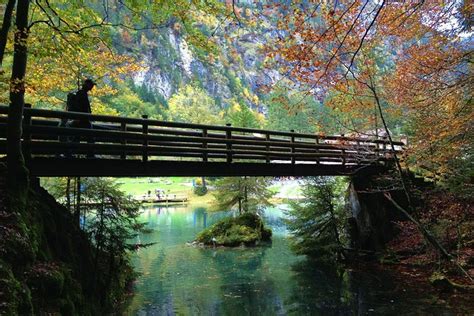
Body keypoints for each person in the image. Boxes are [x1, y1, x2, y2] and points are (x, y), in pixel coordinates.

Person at [69, 79, 96, 158]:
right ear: (87, 85)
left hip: (81, 120)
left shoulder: (81, 93)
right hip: (83, 120)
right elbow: (82, 107)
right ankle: (90, 154)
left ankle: (71, 154)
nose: (92, 87)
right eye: (91, 85)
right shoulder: (82, 94)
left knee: (76, 137)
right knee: (90, 136)